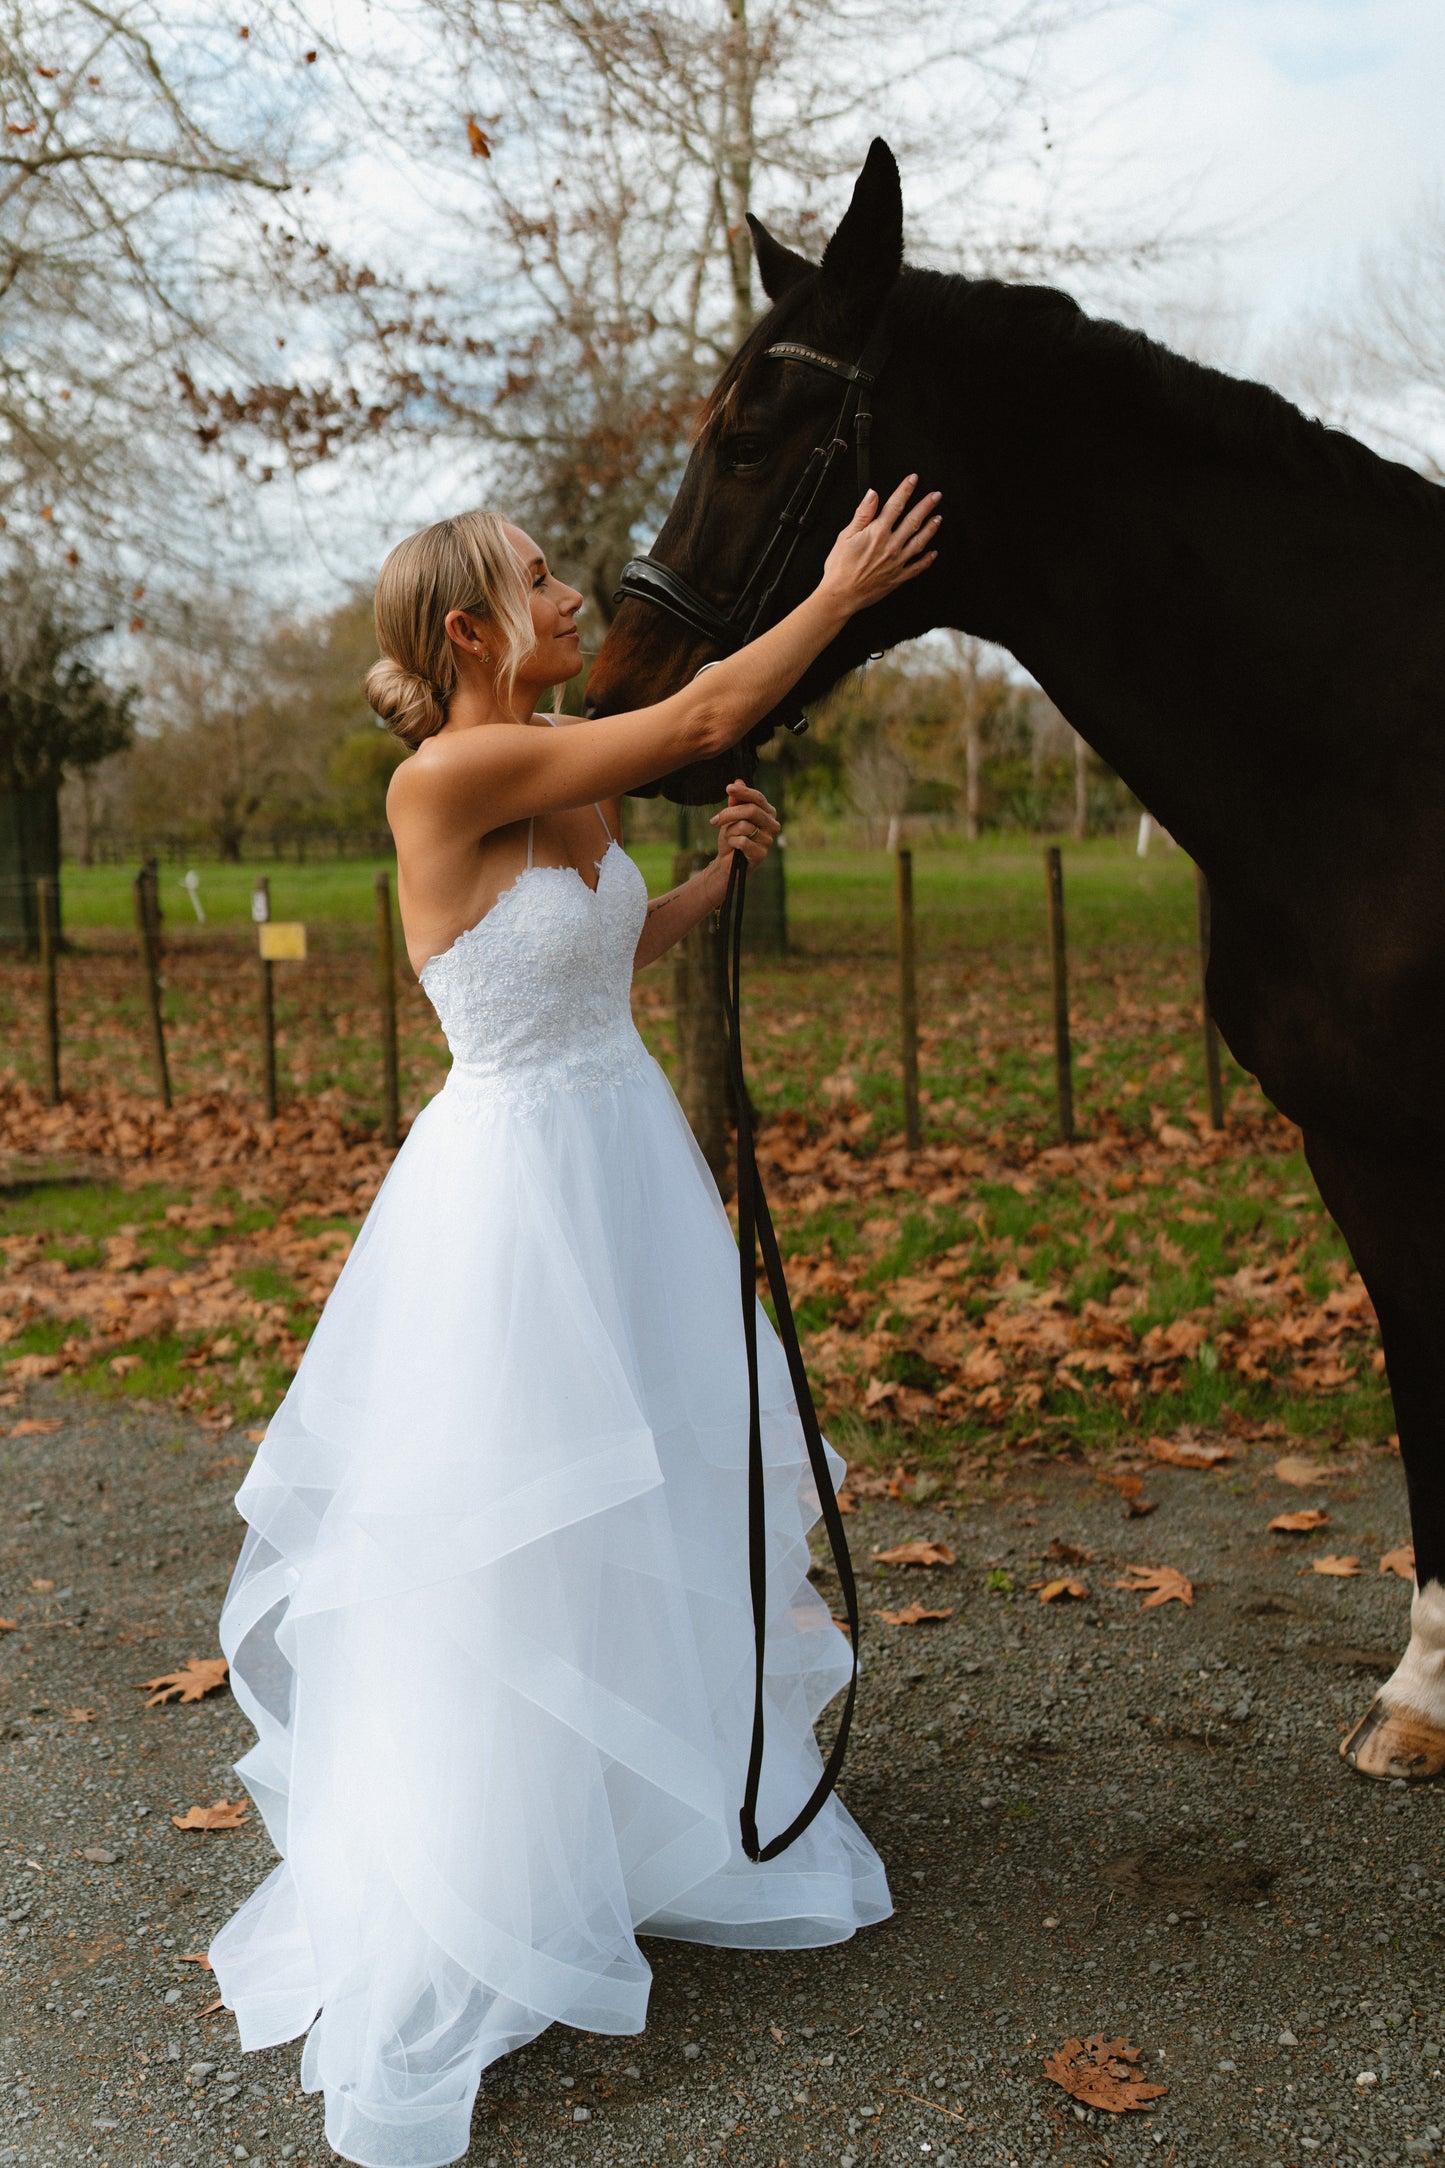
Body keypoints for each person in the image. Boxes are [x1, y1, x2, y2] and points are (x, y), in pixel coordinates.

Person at [208, 476, 942, 2168]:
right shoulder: (450, 773)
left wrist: (700, 888)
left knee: (649, 1496)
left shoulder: (566, 763)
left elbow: (594, 957)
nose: (569, 590)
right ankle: (485, 1875)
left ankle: (620, 1829)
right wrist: (831, 590)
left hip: (623, 1173)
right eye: (539, 580)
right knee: (512, 1536)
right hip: (509, 1202)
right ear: (466, 631)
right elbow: (704, 708)